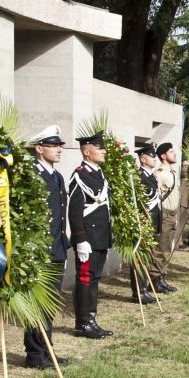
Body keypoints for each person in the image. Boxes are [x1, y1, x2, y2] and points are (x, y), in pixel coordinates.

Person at [21, 125, 71, 370]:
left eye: (60, 146)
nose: (59, 150)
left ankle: (46, 348)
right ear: (39, 149)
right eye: (53, 145)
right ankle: (34, 354)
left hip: (56, 248)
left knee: (49, 303)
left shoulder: (56, 176)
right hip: (39, 250)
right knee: (37, 304)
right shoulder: (31, 174)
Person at [67, 132, 114, 336]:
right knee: (85, 280)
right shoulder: (80, 175)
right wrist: (80, 239)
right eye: (99, 148)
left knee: (94, 279)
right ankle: (83, 323)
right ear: (87, 152)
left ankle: (91, 319)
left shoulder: (99, 174)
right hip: (88, 238)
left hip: (100, 237)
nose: (104, 151)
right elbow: (75, 211)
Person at [129, 144, 160, 305]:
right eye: (151, 157)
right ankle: (138, 291)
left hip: (152, 222)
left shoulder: (151, 176)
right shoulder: (138, 176)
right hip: (143, 223)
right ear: (143, 159)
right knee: (140, 258)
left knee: (147, 257)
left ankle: (144, 288)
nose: (155, 159)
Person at [150, 142, 181, 292]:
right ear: (163, 156)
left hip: (172, 214)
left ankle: (161, 276)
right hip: (163, 214)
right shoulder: (159, 174)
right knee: (160, 249)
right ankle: (155, 280)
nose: (174, 154)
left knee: (167, 248)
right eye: (170, 152)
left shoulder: (173, 172)